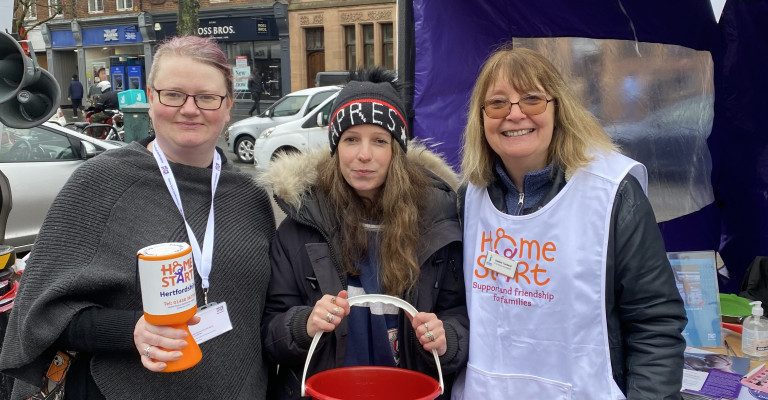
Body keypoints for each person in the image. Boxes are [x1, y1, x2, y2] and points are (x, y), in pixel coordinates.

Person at [0, 35, 276, 399]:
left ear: (228, 106)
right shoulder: (100, 183)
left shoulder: (250, 198)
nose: (190, 109)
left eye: (207, 97)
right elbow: (39, 314)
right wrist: (131, 331)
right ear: (150, 99)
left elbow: (264, 313)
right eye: (173, 94)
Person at [453, 47, 687, 399]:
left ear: (558, 108)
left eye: (532, 100)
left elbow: (654, 323)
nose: (514, 115)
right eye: (498, 103)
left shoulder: (611, 193)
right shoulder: (468, 199)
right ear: (481, 118)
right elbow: (455, 310)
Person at [261, 67, 469, 399]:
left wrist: (447, 339)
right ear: (335, 147)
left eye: (379, 141)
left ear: (396, 151)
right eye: (351, 139)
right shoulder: (300, 225)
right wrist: (304, 325)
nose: (364, 155)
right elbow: (271, 332)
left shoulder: (437, 220)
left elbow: (460, 314)